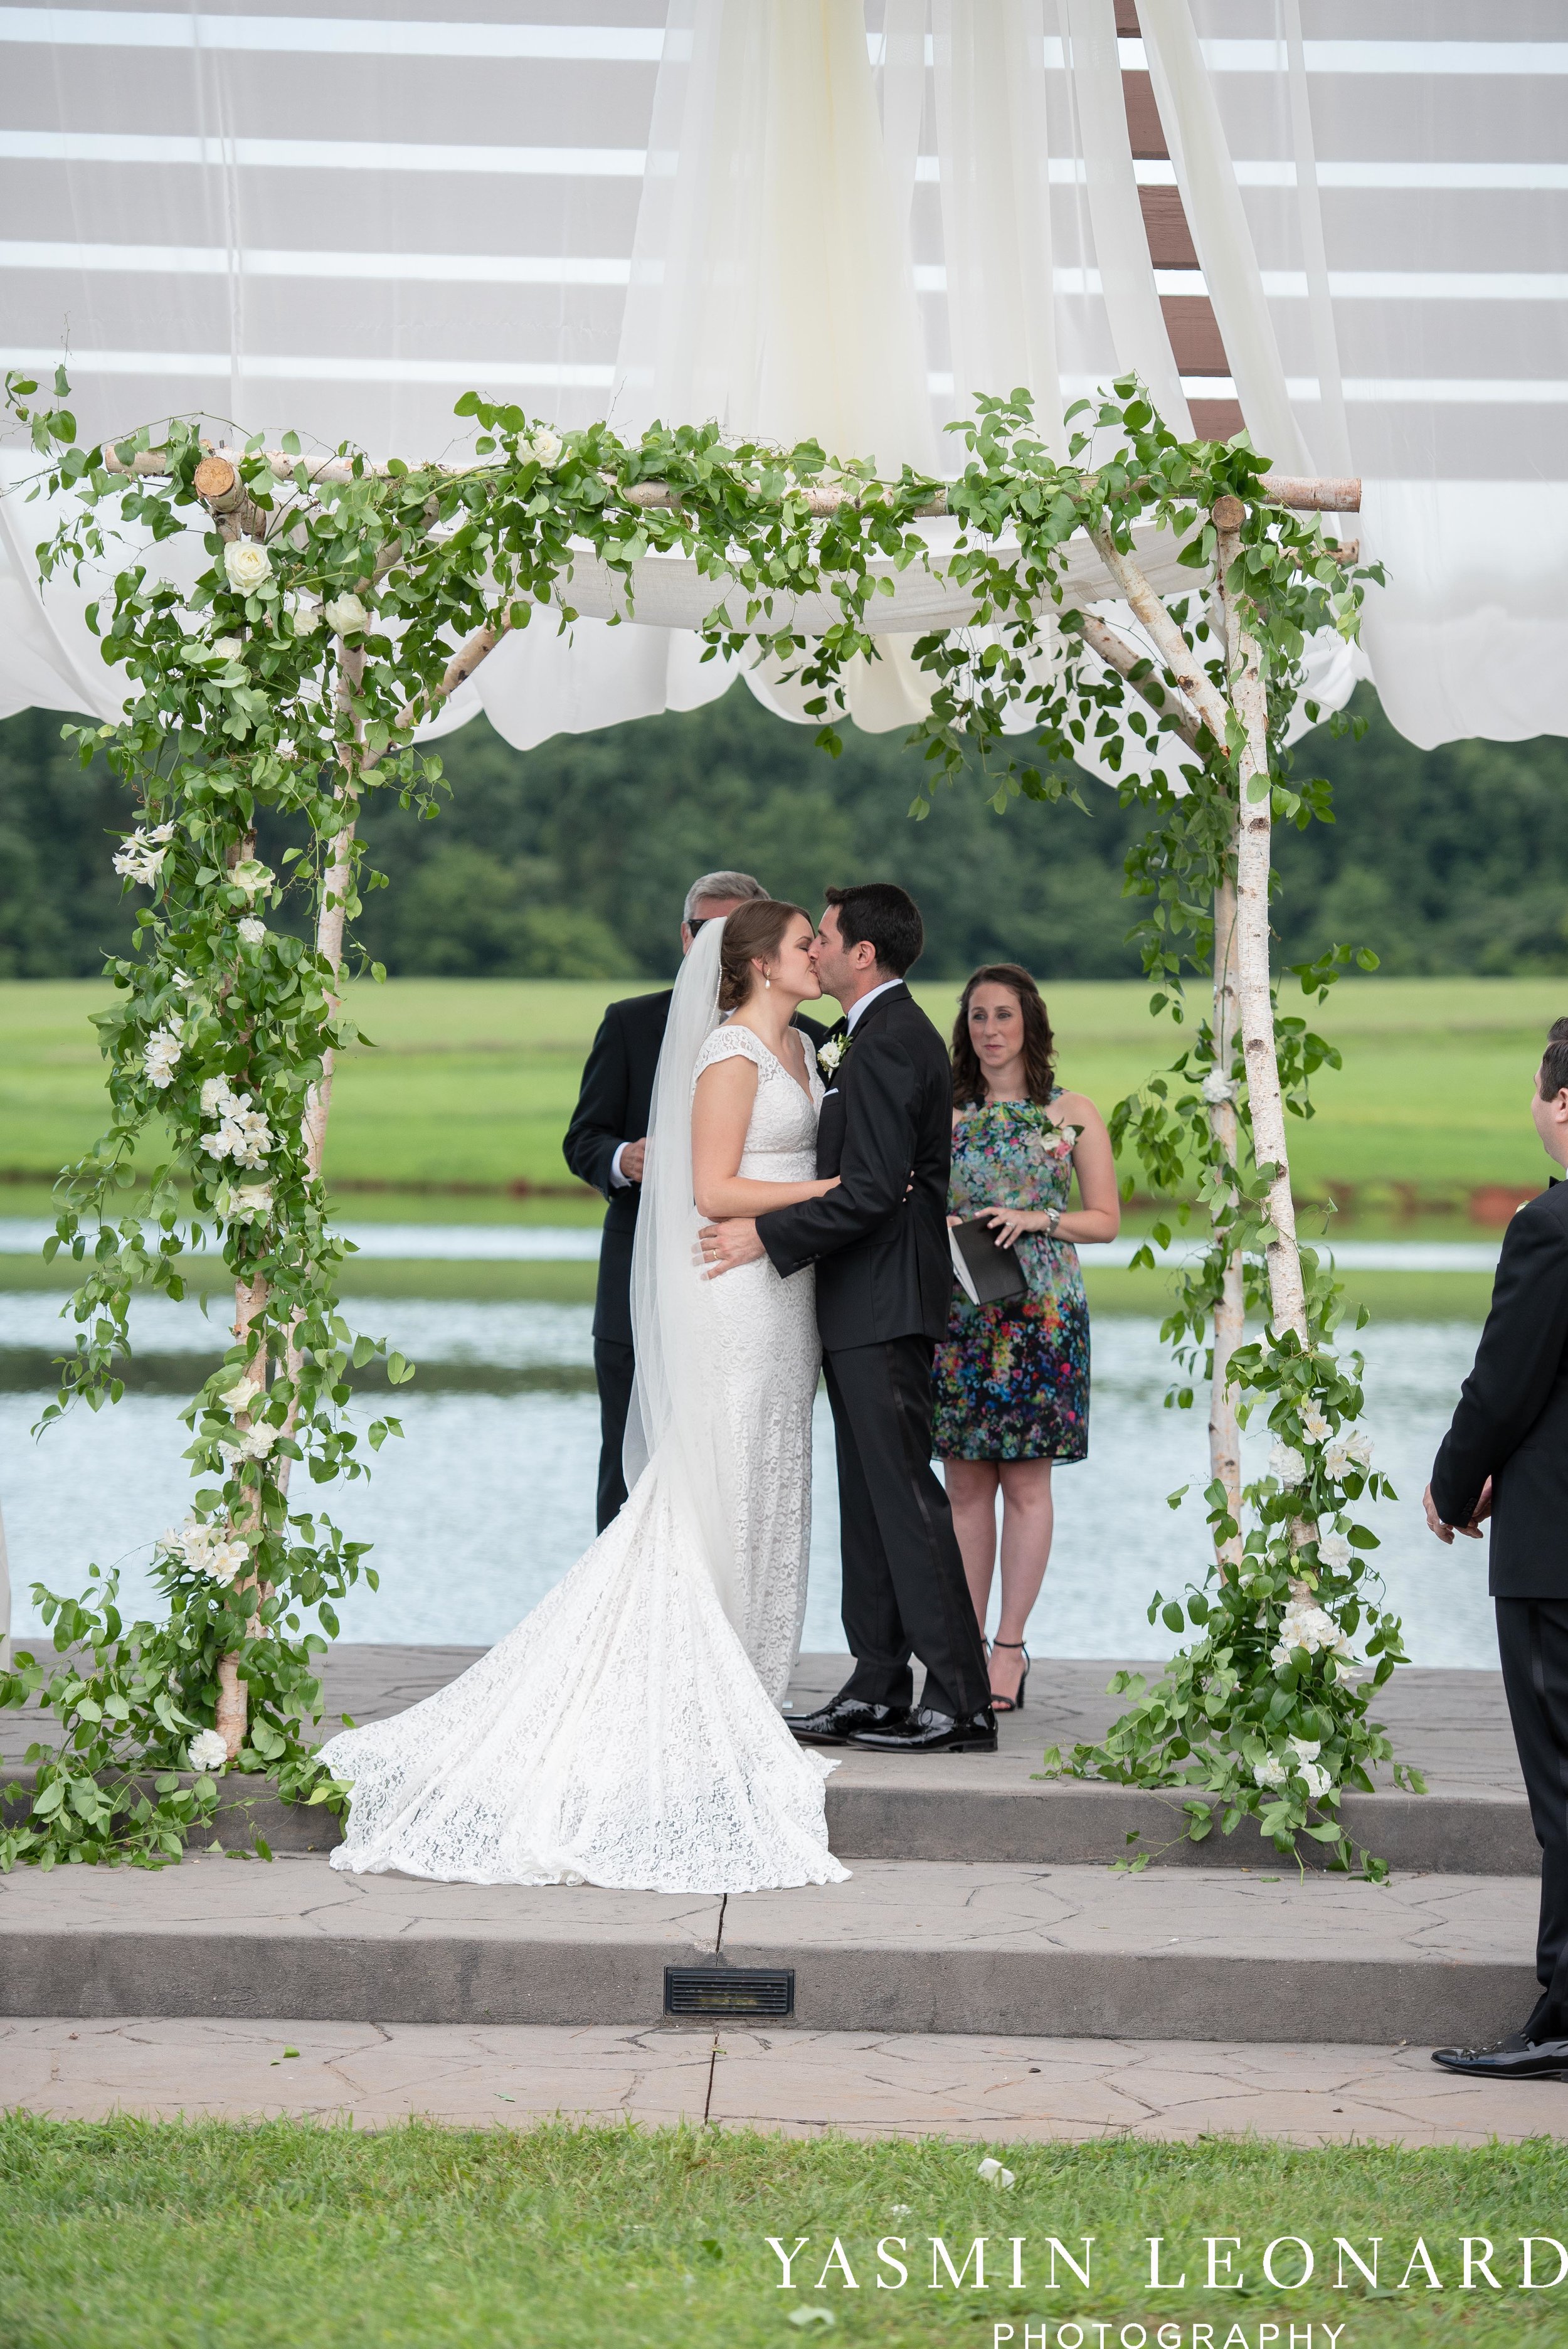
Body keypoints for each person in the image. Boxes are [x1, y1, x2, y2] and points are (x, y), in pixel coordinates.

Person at [320, 904, 848, 1892]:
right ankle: (697, 1696)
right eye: (803, 945)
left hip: (788, 1302)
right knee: (721, 1476)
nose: (819, 953)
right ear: (759, 966)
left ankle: (747, 1689)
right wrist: (828, 1195)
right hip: (737, 1293)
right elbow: (713, 1189)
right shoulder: (730, 1054)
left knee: (774, 1472)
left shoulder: (809, 1052)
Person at [699, 883, 997, 1755]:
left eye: (824, 936)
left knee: (906, 1500)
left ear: (862, 953)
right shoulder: (863, 1038)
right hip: (857, 1301)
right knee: (870, 1503)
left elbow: (872, 1192)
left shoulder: (889, 1044)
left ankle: (959, 1700)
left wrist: (765, 1234)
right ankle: (878, 1685)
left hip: (883, 1299)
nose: (818, 948)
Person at [564, 871, 827, 1532]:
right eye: (710, 932)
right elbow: (583, 1137)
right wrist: (625, 1158)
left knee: (743, 1458)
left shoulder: (814, 1037)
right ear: (685, 937)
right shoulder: (630, 1024)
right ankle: (628, 1619)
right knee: (631, 1464)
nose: (720, 945)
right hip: (642, 1279)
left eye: (735, 932)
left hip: (764, 1278)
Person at [1424, 1014, 1568, 2080]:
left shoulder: (1552, 1226)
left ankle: (1562, 2019)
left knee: (1562, 1786)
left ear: (1561, 1104)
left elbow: (1507, 1379)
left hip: (1557, 1550)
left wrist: (1448, 1479)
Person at [935, 965, 1120, 1712]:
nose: (989, 1029)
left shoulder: (1070, 1112)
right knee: (964, 1485)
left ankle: (1009, 1646)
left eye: (1003, 1014)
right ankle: (963, 1645)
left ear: (1029, 1023)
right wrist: (942, 1223)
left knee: (1027, 1482)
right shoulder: (943, 1113)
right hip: (961, 1312)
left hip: (1042, 1313)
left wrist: (1040, 1218)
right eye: (977, 1016)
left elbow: (1104, 1220)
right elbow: (908, 1196)